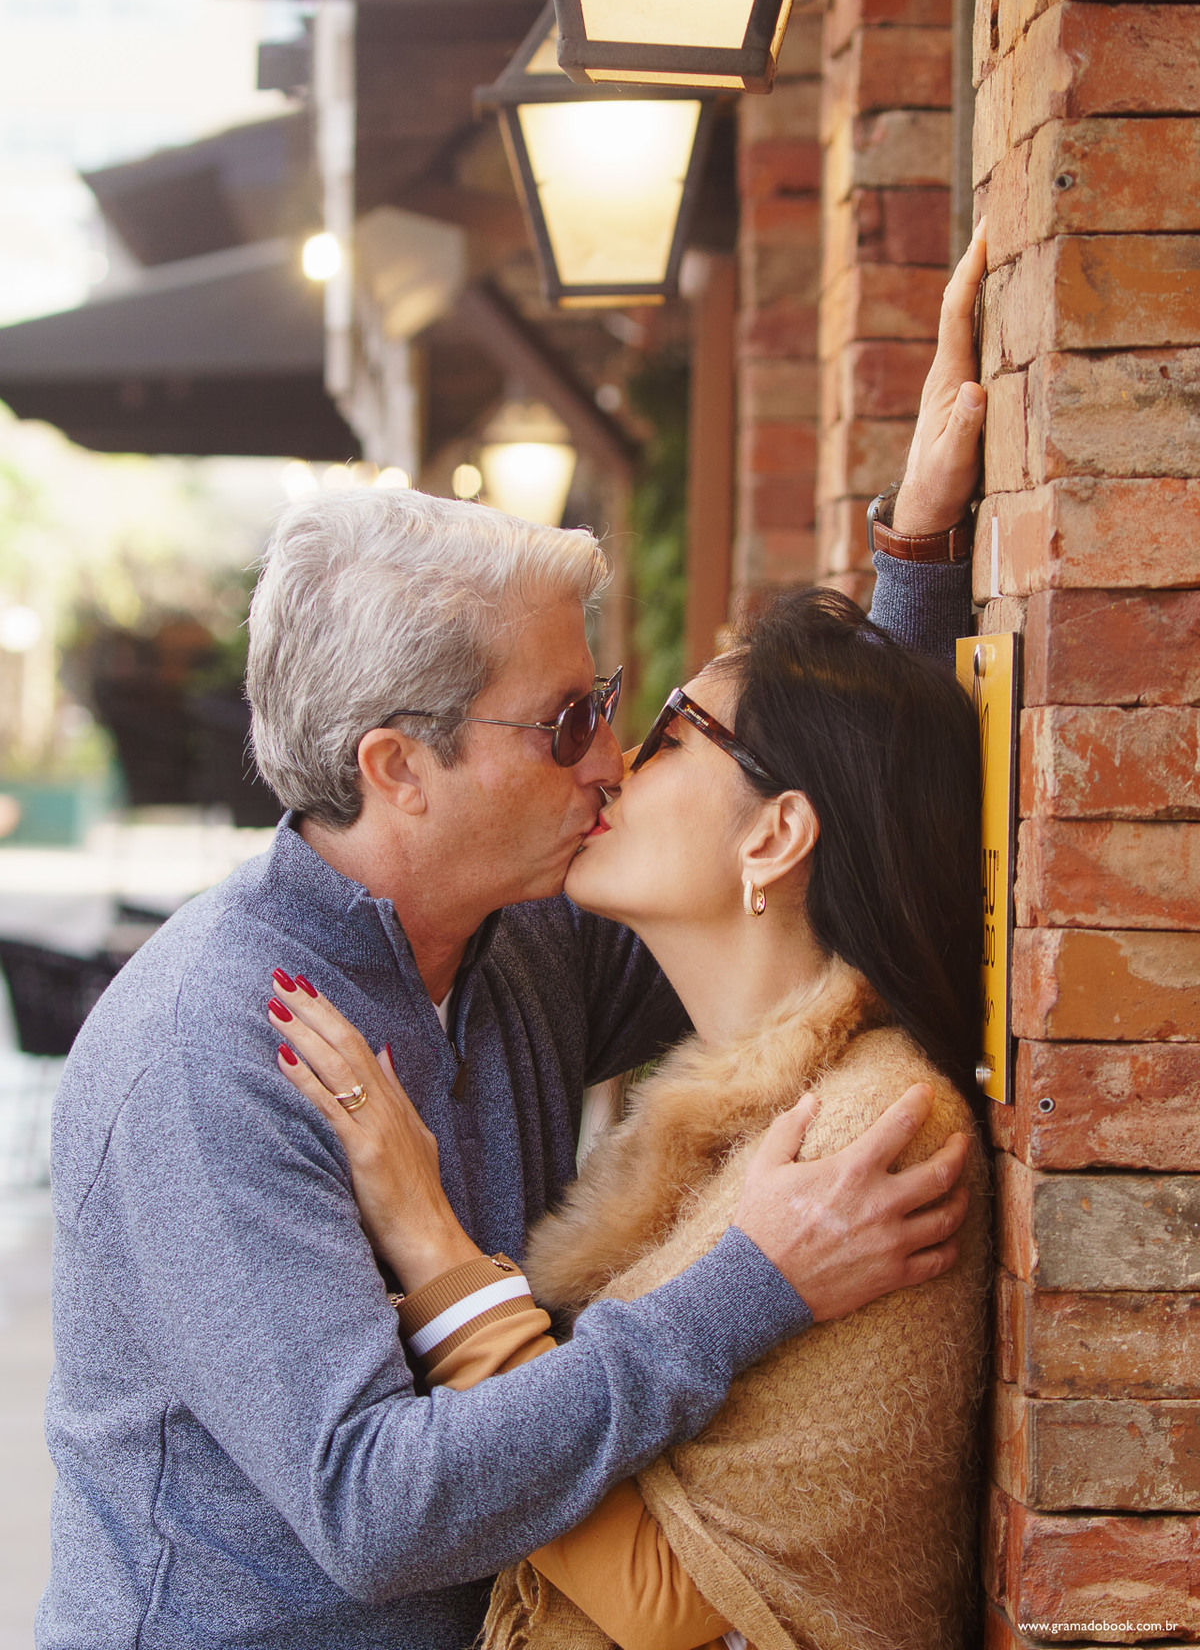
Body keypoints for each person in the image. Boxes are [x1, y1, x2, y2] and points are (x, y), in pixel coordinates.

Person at [39, 229, 989, 1650]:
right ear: (397, 769)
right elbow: (377, 1510)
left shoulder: (520, 940)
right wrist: (751, 1288)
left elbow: (802, 841)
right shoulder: (213, 1051)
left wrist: (915, 549)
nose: (611, 758)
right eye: (566, 723)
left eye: (610, 705)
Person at [269, 583, 991, 1650]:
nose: (610, 765)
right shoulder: (743, 1095)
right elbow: (863, 768)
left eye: (669, 735)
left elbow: (671, 1600)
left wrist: (426, 1234)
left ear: (775, 836)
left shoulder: (871, 1134)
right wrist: (916, 558)